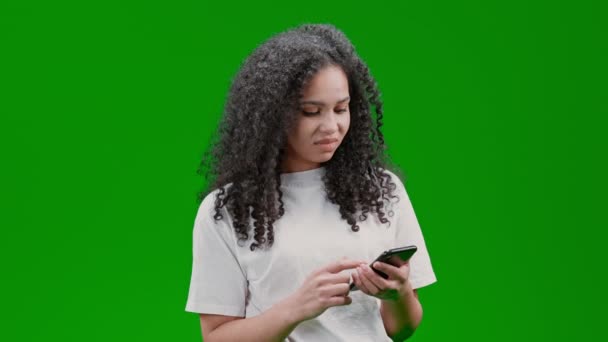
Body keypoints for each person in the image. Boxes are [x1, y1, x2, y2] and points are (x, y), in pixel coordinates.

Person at [185, 23, 437, 341]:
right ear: (271, 116)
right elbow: (216, 336)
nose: (331, 126)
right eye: (311, 111)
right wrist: (297, 308)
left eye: (341, 109)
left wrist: (399, 293)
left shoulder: (382, 190)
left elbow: (401, 329)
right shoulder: (227, 210)